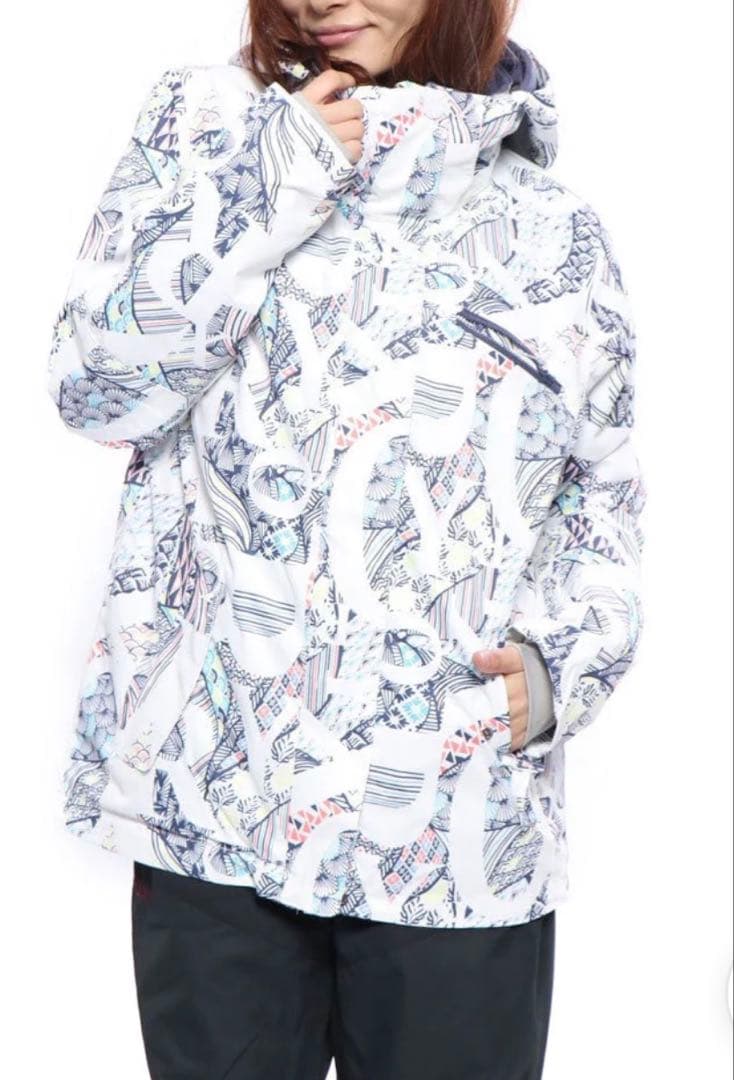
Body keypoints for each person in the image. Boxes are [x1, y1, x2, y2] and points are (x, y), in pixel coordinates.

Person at [46, 1, 646, 1077]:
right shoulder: (206, 133)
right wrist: (271, 181)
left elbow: (596, 492)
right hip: (216, 804)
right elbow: (98, 389)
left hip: (455, 821)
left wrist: (563, 665)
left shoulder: (551, 228)